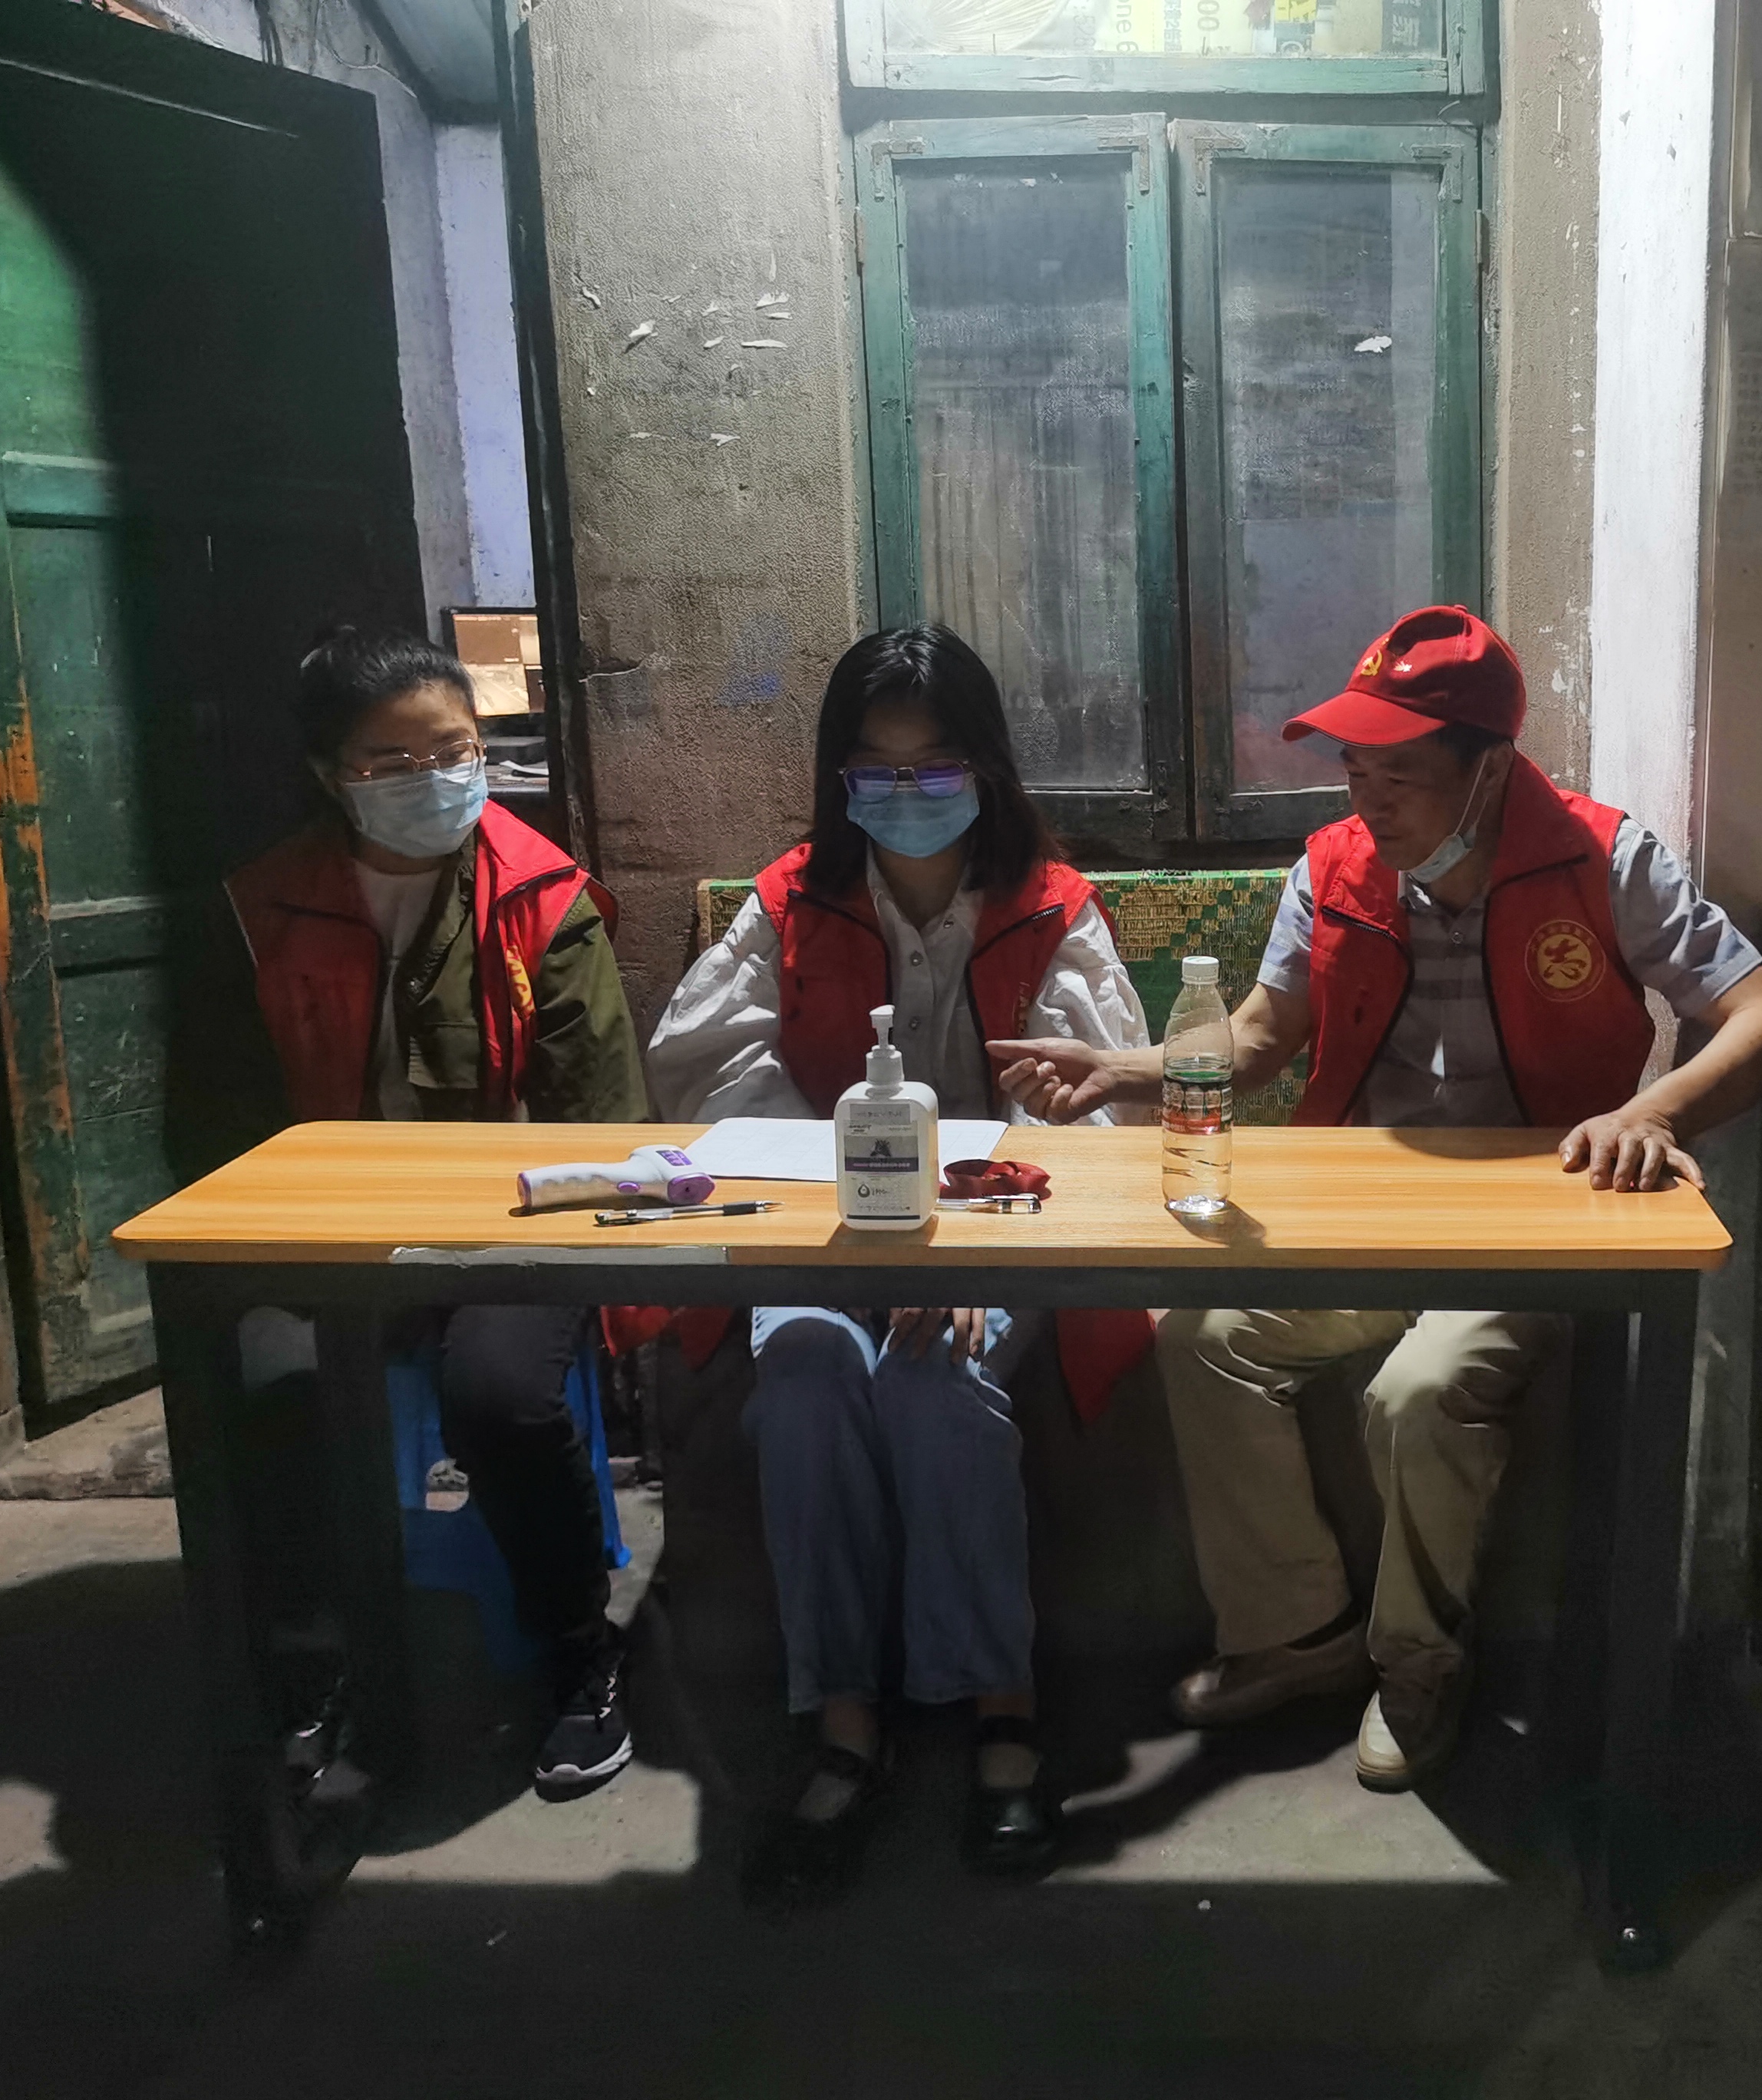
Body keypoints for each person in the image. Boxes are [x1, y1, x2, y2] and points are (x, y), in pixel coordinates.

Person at [990, 605, 1762, 1791]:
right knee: (1202, 1338)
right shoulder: (1331, 870)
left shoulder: (1603, 860)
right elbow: (1258, 1040)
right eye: (1355, 772)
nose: (1370, 803)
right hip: (1364, 1216)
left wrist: (1654, 1113)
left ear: (1491, 771)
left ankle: (1421, 1663)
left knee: (1420, 1393)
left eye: (1403, 777)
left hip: (1534, 1225)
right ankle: (1298, 1636)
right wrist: (1118, 1070)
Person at [647, 623, 1153, 1896]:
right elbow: (705, 1071)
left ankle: (1001, 1706)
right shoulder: (788, 903)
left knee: (938, 1384)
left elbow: (1095, 1116)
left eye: (936, 766)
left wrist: (968, 1257)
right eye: (875, 768)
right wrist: (851, 1204)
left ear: (986, 768)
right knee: (807, 1378)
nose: (906, 792)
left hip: (1000, 1241)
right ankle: (846, 1719)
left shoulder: (1053, 907)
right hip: (821, 1235)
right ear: (839, 777)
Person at [215, 628, 647, 1804]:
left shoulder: (543, 900)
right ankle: (320, 1660)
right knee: (271, 1380)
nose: (434, 780)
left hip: (512, 1229)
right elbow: (218, 1122)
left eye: (454, 752)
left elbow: (602, 1126)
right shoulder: (264, 908)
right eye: (391, 762)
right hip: (325, 1232)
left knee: (499, 1395)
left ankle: (580, 1654)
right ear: (328, 773)